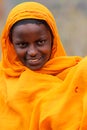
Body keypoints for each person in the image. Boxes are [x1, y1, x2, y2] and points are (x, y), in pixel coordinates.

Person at [0, 1, 81, 130]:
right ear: (10, 45)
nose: (32, 52)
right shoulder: (3, 81)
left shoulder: (75, 76)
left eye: (40, 42)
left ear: (53, 41)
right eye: (22, 44)